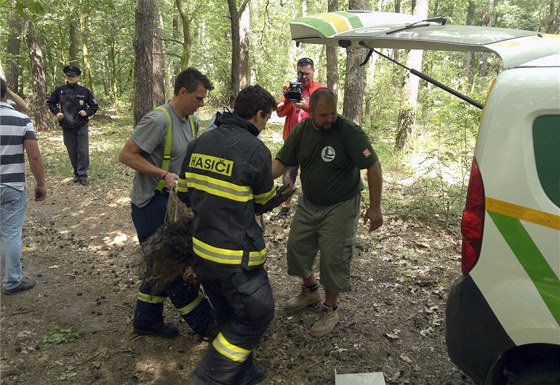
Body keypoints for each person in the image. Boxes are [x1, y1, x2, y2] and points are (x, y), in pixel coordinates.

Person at [177, 85, 293, 385]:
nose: (266, 124)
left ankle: (244, 371)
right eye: (267, 119)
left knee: (229, 312)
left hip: (203, 251)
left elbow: (184, 193)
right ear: (258, 115)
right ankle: (209, 376)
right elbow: (260, 201)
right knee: (257, 313)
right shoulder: (256, 151)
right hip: (237, 258)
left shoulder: (200, 142)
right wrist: (281, 196)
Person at [272, 87, 383, 337]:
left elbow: (373, 166)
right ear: (310, 111)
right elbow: (282, 162)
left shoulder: (348, 132)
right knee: (297, 248)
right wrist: (255, 176)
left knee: (334, 257)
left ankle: (330, 309)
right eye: (323, 115)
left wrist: (375, 208)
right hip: (310, 202)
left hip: (341, 204)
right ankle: (311, 291)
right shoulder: (301, 131)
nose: (329, 119)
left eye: (332, 113)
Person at [118, 67, 216, 340]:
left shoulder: (191, 122)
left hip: (174, 206)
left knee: (158, 263)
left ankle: (146, 320)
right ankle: (207, 325)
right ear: (182, 92)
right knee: (173, 267)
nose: (202, 103)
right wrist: (162, 174)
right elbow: (126, 155)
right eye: (198, 97)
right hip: (151, 205)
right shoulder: (158, 120)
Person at [0, 77, 47, 295]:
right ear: (6, 93)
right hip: (12, 185)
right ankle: (12, 281)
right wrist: (41, 184)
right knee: (10, 233)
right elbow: (34, 157)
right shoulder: (21, 120)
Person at [270, 57, 326, 221]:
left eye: (307, 73)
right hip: (292, 140)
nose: (304, 77)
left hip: (315, 140)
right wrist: (288, 97)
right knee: (288, 176)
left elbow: (326, 111)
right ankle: (285, 208)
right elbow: (280, 112)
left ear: (313, 71)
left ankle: (313, 208)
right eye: (301, 73)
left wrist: (307, 106)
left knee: (314, 176)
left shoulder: (321, 89)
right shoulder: (292, 87)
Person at [47, 65, 98, 186]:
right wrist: (57, 112)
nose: (71, 78)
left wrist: (87, 112)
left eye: (73, 76)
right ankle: (77, 174)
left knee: (83, 151)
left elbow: (94, 106)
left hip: (81, 125)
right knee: (72, 151)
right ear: (66, 77)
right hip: (67, 125)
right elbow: (50, 102)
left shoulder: (84, 91)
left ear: (78, 77)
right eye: (69, 76)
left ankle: (83, 175)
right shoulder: (60, 90)